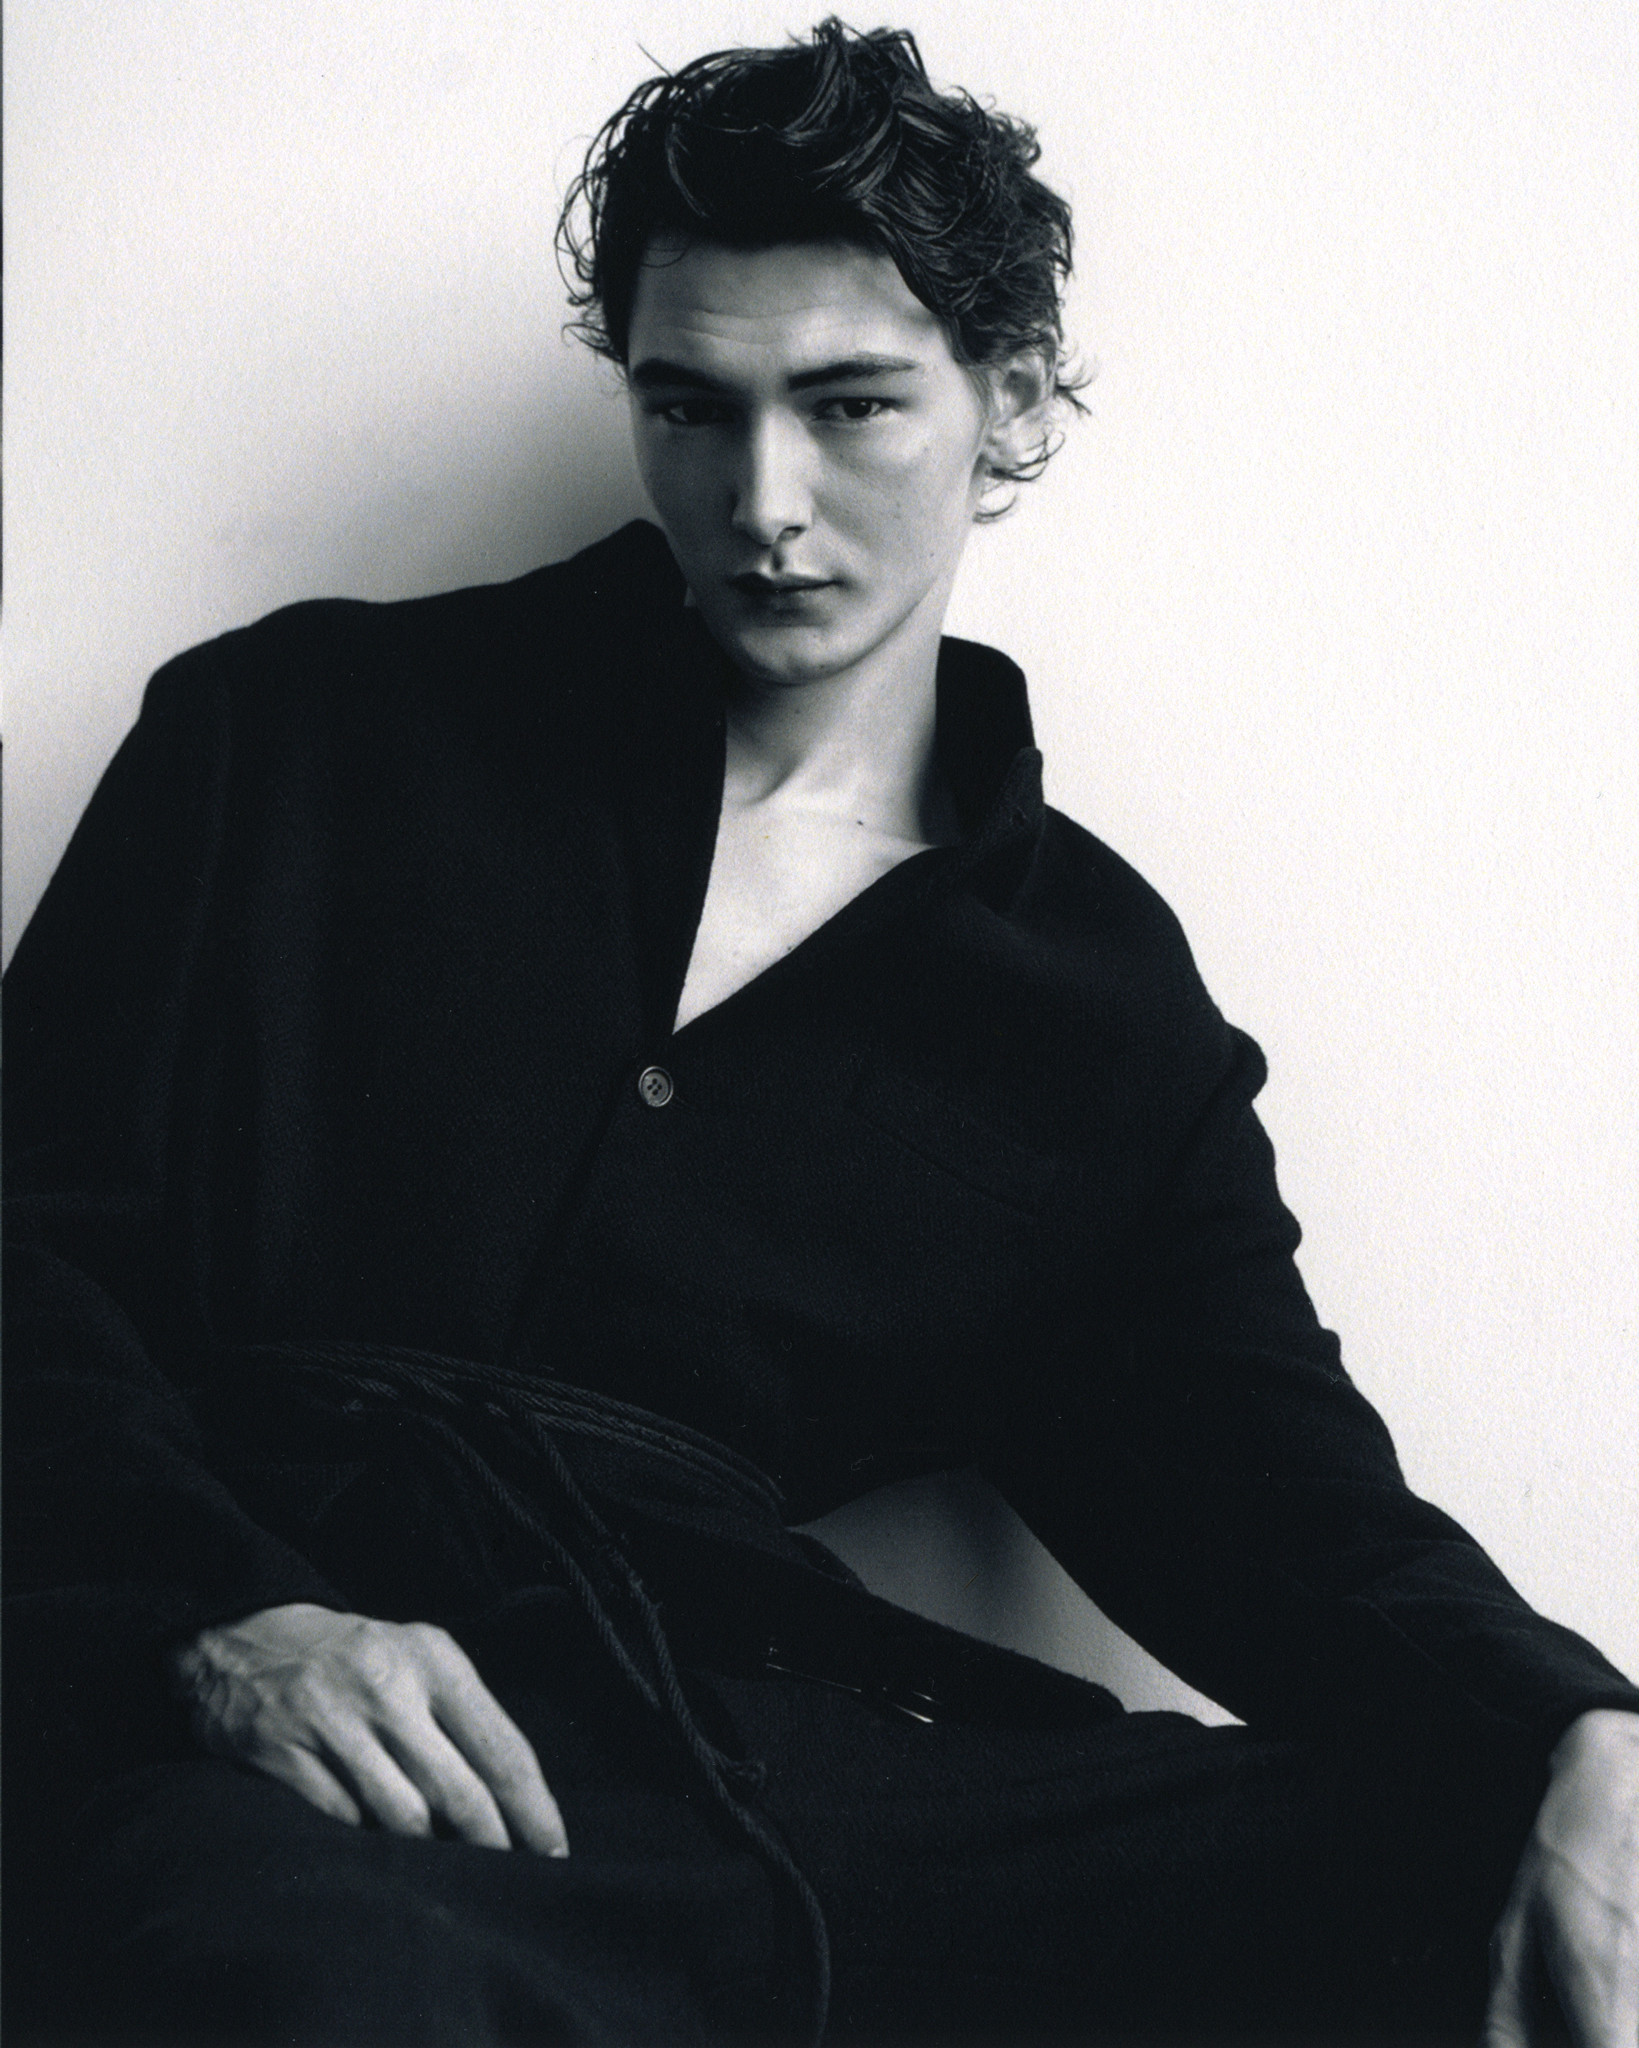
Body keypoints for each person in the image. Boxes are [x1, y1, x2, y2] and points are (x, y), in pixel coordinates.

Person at [4, 19, 1636, 2046]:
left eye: (851, 405)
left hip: (788, 1769)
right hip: (341, 1742)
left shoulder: (1091, 996)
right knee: (302, 1964)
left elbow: (1281, 1508)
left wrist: (1578, 1734)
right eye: (691, 407)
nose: (761, 501)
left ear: (1007, 395)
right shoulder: (296, 739)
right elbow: (24, 1251)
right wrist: (210, 1614)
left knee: (1487, 1873)